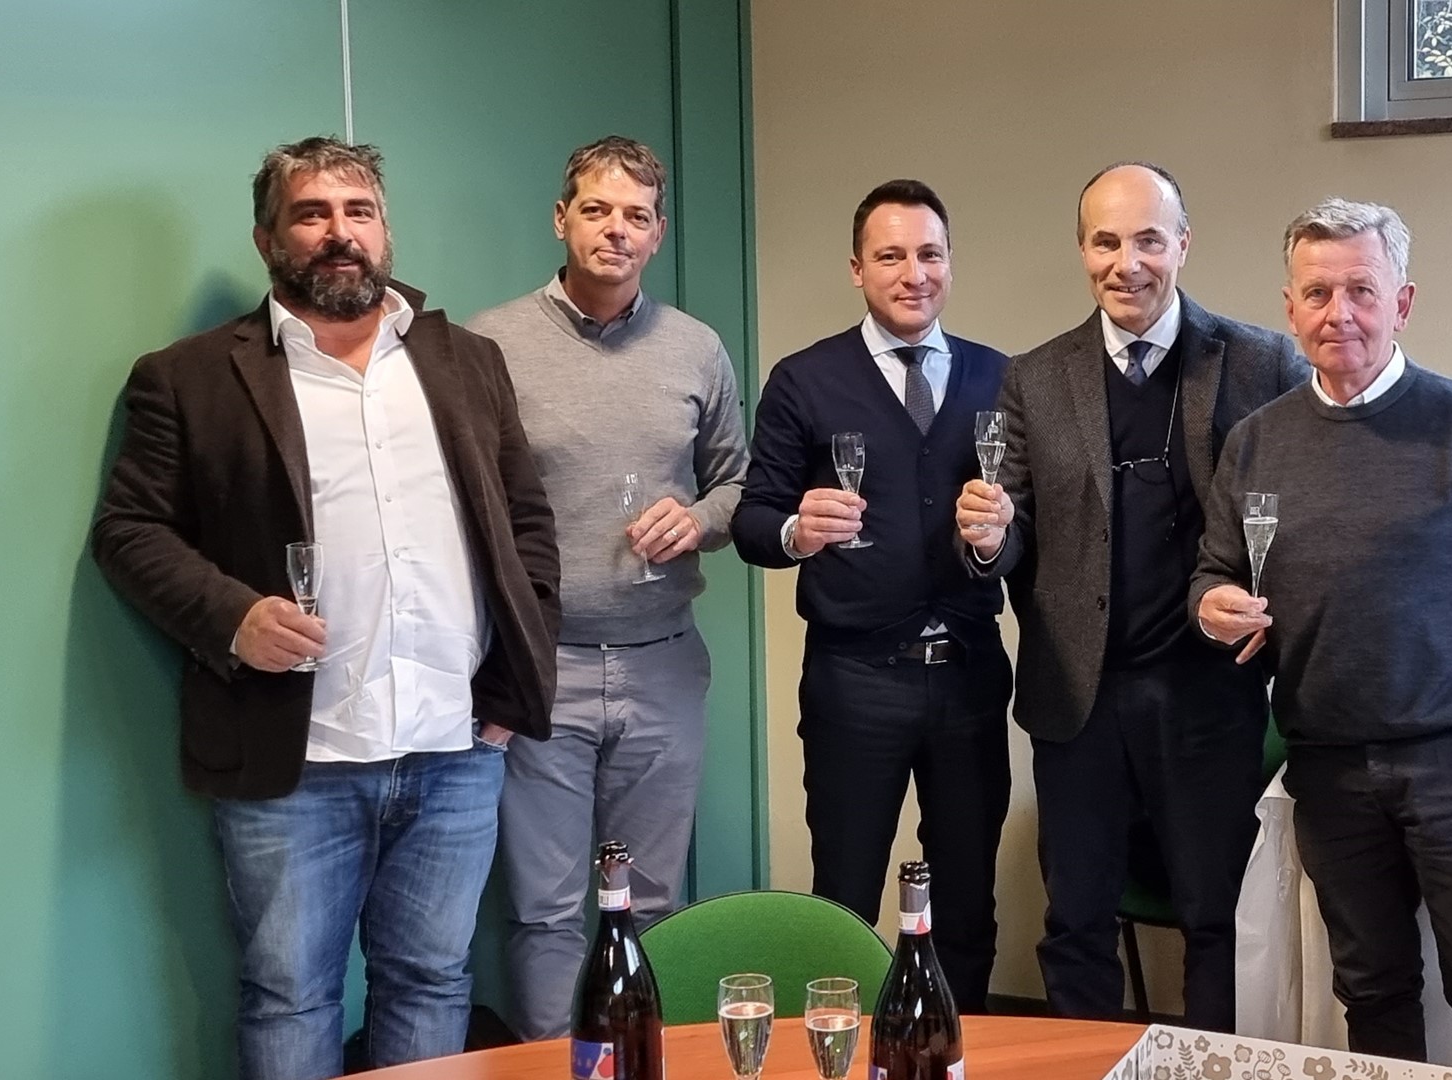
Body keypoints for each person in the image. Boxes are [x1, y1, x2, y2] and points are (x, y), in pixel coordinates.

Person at [90, 136, 562, 1079]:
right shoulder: (188, 377)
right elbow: (129, 531)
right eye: (311, 213)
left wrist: (512, 691)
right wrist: (232, 618)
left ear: (386, 231)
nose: (339, 232)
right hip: (292, 760)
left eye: (359, 211)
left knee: (433, 983)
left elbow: (527, 528)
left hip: (455, 747)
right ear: (268, 239)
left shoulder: (467, 361)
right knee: (291, 995)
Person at [1192, 198, 1452, 1080]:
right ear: (1290, 308)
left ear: (1402, 303)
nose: (1340, 313)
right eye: (1318, 293)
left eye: (1361, 289)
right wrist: (1212, 606)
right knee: (1372, 991)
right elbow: (1214, 573)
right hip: (1328, 764)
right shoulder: (1255, 444)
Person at [955, 162, 1307, 1029]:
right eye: (1106, 242)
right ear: (1082, 250)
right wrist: (991, 540)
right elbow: (1014, 527)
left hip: (1208, 694)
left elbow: (1306, 510)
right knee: (1075, 922)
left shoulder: (1261, 362)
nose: (1128, 262)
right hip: (1079, 699)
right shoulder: (1035, 377)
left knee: (1215, 920)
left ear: (1183, 244)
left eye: (1149, 240)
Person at [466, 135, 749, 1040]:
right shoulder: (488, 343)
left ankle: (641, 1062)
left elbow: (740, 486)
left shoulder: (696, 349)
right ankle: (554, 1065)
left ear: (658, 233)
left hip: (663, 664)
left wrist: (697, 519)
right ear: (562, 219)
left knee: (653, 904)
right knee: (545, 911)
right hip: (539, 670)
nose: (615, 230)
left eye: (635, 216)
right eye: (596, 209)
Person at [732, 179, 1012, 1012]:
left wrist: (997, 540)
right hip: (855, 678)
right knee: (845, 898)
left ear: (951, 263)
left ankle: (955, 1050)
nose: (912, 273)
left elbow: (1026, 531)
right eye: (891, 256)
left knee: (967, 899)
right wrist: (797, 529)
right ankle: (842, 1053)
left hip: (968, 674)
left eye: (929, 254)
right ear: (857, 268)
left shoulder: (1002, 378)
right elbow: (752, 521)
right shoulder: (804, 380)